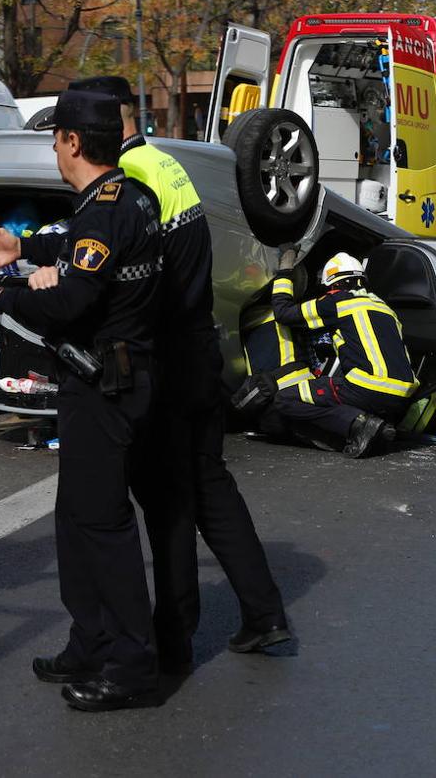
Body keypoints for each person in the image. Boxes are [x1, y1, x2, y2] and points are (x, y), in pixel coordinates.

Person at [84, 77, 290, 665]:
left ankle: (174, 636)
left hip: (170, 359)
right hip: (200, 348)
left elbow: (131, 275)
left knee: (168, 498)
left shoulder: (133, 178)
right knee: (208, 487)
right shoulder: (164, 162)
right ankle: (264, 613)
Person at [0, 87, 165, 710]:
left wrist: (2, 297)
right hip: (107, 379)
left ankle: (133, 662)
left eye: (56, 137)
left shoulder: (105, 208)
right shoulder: (126, 196)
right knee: (75, 518)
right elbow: (83, 252)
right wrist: (22, 249)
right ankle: (91, 638)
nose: (55, 147)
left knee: (103, 525)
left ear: (73, 142)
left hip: (107, 384)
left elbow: (72, 299)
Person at [269, 251, 419, 457]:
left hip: (367, 388)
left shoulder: (337, 302)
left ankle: (356, 426)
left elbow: (283, 313)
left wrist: (284, 273)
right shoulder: (385, 309)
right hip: (402, 397)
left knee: (286, 399)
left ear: (334, 285)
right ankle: (370, 430)